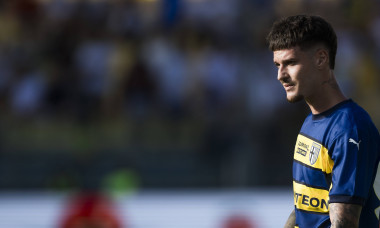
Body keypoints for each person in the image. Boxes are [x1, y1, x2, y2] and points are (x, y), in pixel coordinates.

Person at [266, 15, 380, 228]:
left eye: (290, 63)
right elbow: (306, 206)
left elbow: (344, 222)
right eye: (277, 65)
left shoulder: (349, 128)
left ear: (321, 59)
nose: (281, 75)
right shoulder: (312, 121)